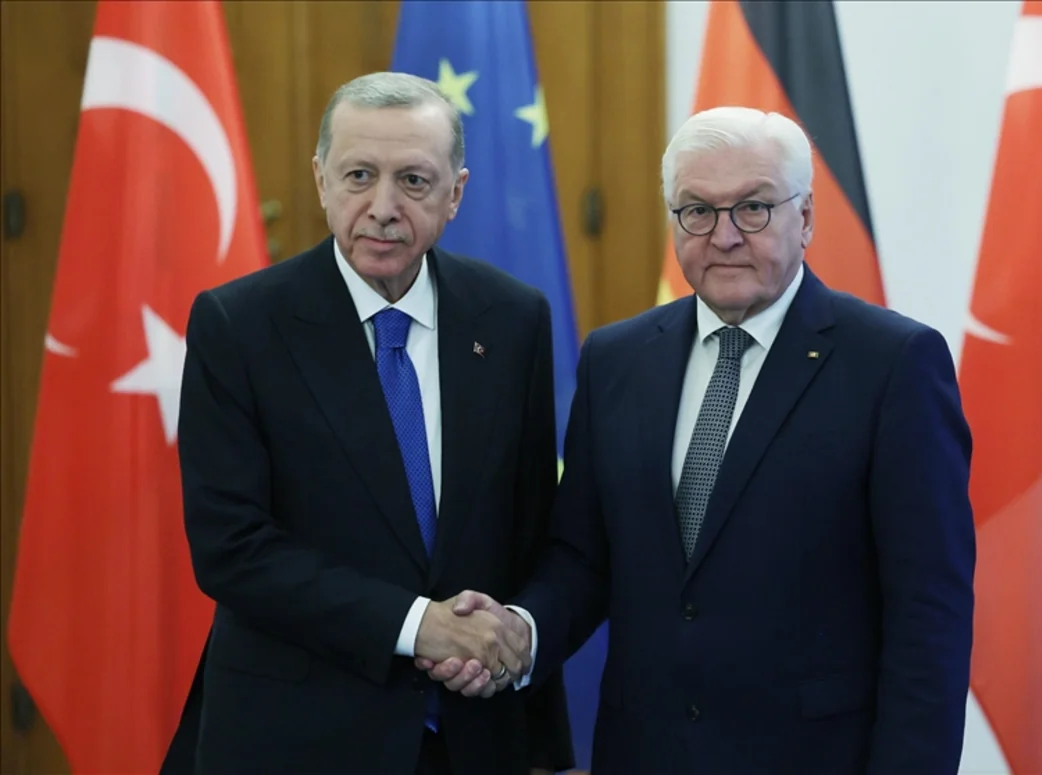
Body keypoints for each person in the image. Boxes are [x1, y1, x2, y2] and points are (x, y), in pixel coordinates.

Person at [422, 106, 976, 774]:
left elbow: (929, 612)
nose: (725, 236)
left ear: (805, 217)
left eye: (753, 208)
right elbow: (583, 557)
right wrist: (521, 631)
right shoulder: (617, 359)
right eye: (698, 211)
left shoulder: (892, 364)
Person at [168, 71, 572, 775]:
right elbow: (231, 547)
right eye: (359, 175)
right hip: (298, 740)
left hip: (472, 734)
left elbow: (531, 528)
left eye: (413, 181)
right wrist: (419, 625)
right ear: (322, 180)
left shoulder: (513, 319)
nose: (383, 208)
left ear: (455, 194)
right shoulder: (240, 325)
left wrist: (512, 643)